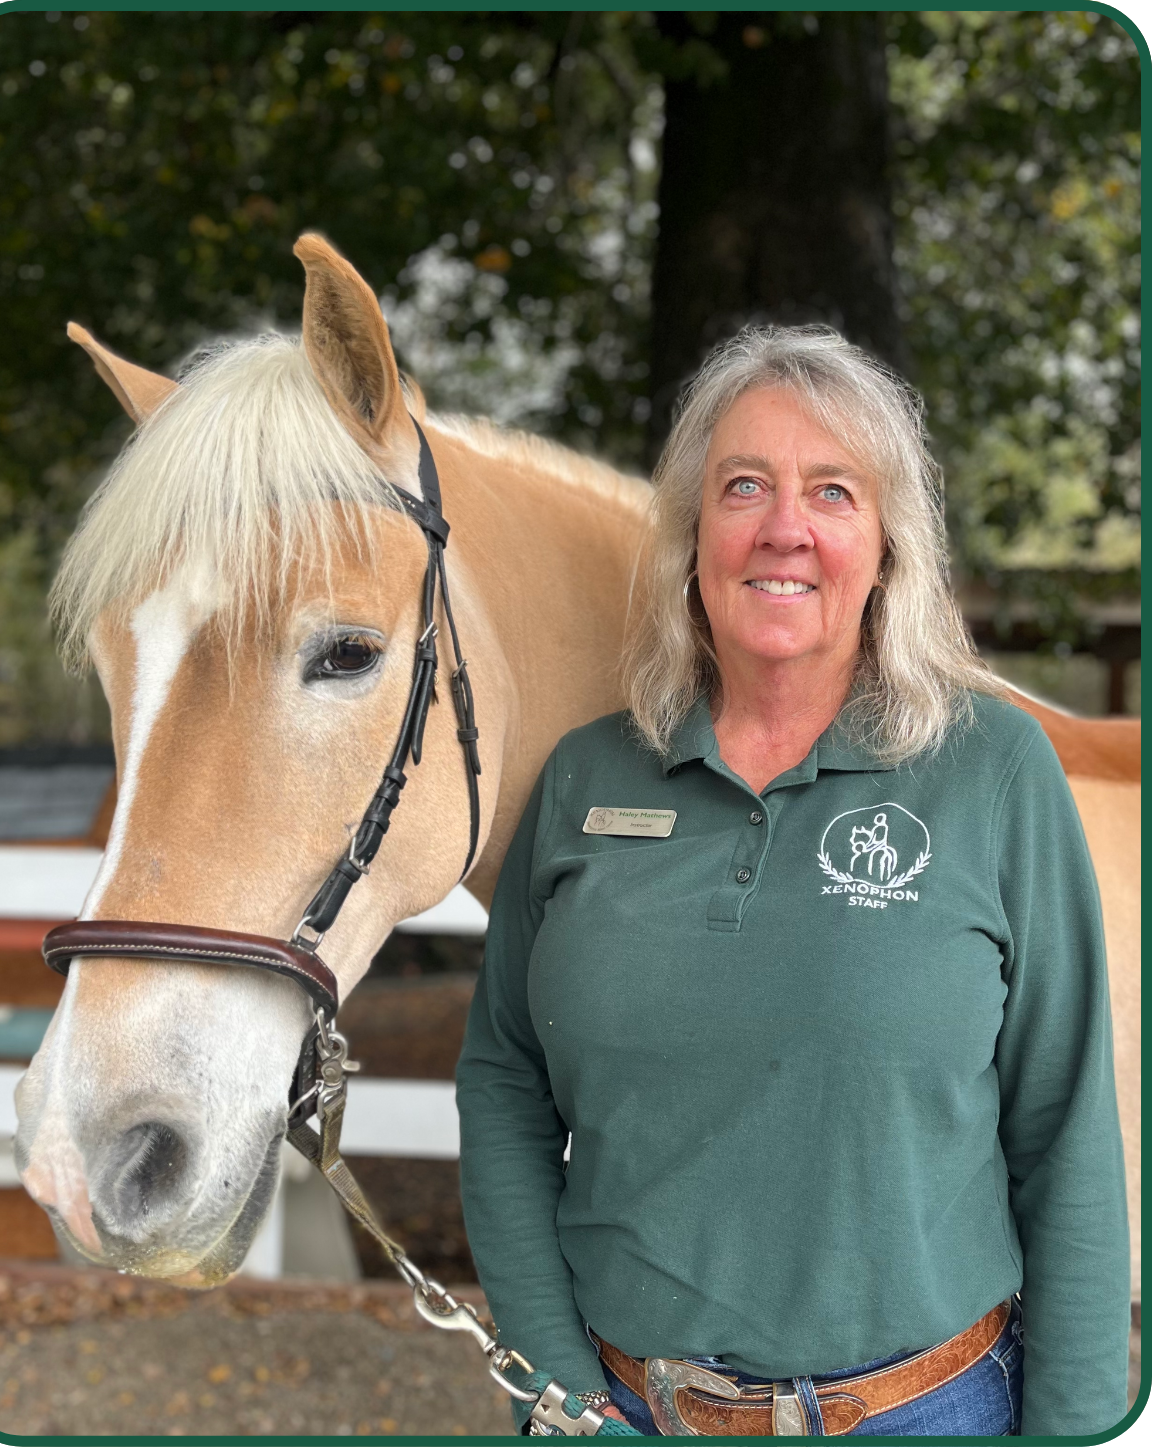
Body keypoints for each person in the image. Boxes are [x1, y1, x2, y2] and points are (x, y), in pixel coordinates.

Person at [455, 326, 1129, 1437]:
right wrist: (554, 1386)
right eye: (744, 486)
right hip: (625, 1413)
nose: (785, 527)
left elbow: (1066, 1128)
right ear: (692, 534)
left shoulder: (994, 769)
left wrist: (1079, 1427)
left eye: (833, 491)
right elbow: (503, 1082)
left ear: (888, 544)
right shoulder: (585, 776)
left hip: (930, 1411)